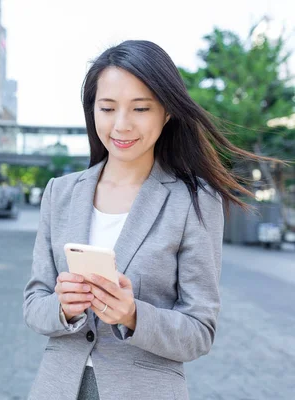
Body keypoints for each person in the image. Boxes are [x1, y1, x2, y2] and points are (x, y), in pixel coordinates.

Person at [23, 40, 281, 400]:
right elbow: (35, 303)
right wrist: (63, 307)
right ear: (92, 110)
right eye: (108, 108)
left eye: (141, 108)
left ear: (167, 112)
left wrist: (132, 315)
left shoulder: (193, 200)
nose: (122, 125)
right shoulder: (60, 193)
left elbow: (199, 331)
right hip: (57, 388)